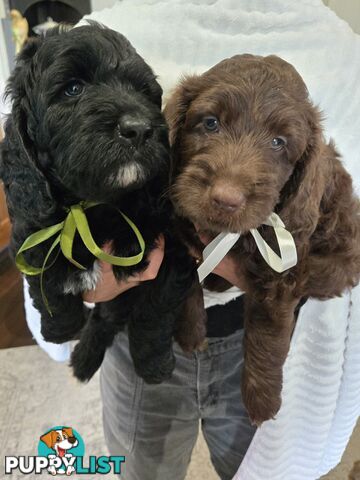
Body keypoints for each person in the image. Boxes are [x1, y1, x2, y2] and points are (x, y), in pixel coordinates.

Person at [83, 235, 256, 480]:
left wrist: (278, 279)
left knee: (262, 468)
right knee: (145, 471)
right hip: (137, 329)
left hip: (254, 334)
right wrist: (78, 282)